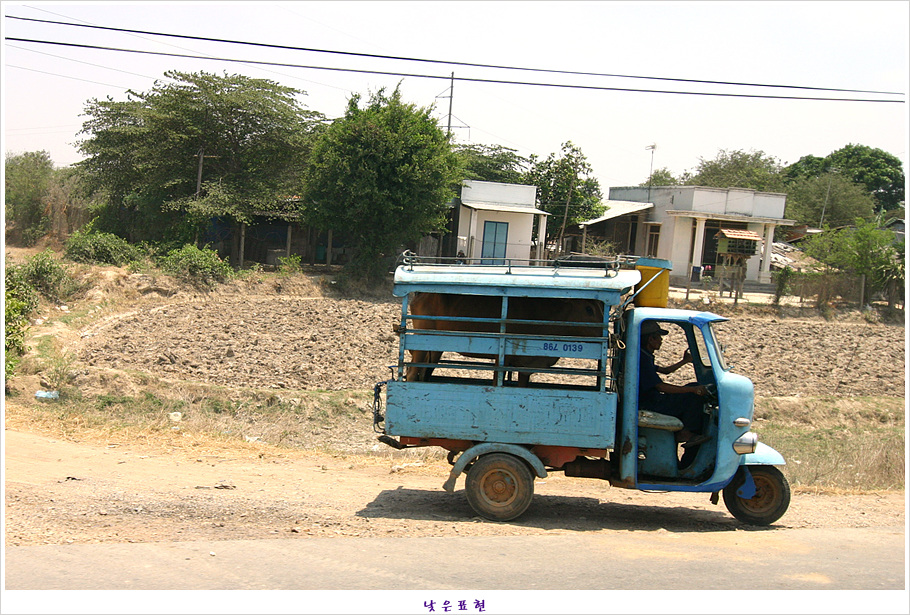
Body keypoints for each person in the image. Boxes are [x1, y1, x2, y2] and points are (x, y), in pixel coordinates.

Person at [638, 320, 711, 452]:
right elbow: (660, 387)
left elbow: (665, 371)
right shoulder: (642, 359)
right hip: (650, 403)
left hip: (651, 400)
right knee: (693, 396)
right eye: (659, 337)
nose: (661, 340)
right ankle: (686, 433)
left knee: (692, 387)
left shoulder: (644, 356)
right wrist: (693, 390)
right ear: (651, 339)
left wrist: (684, 361)